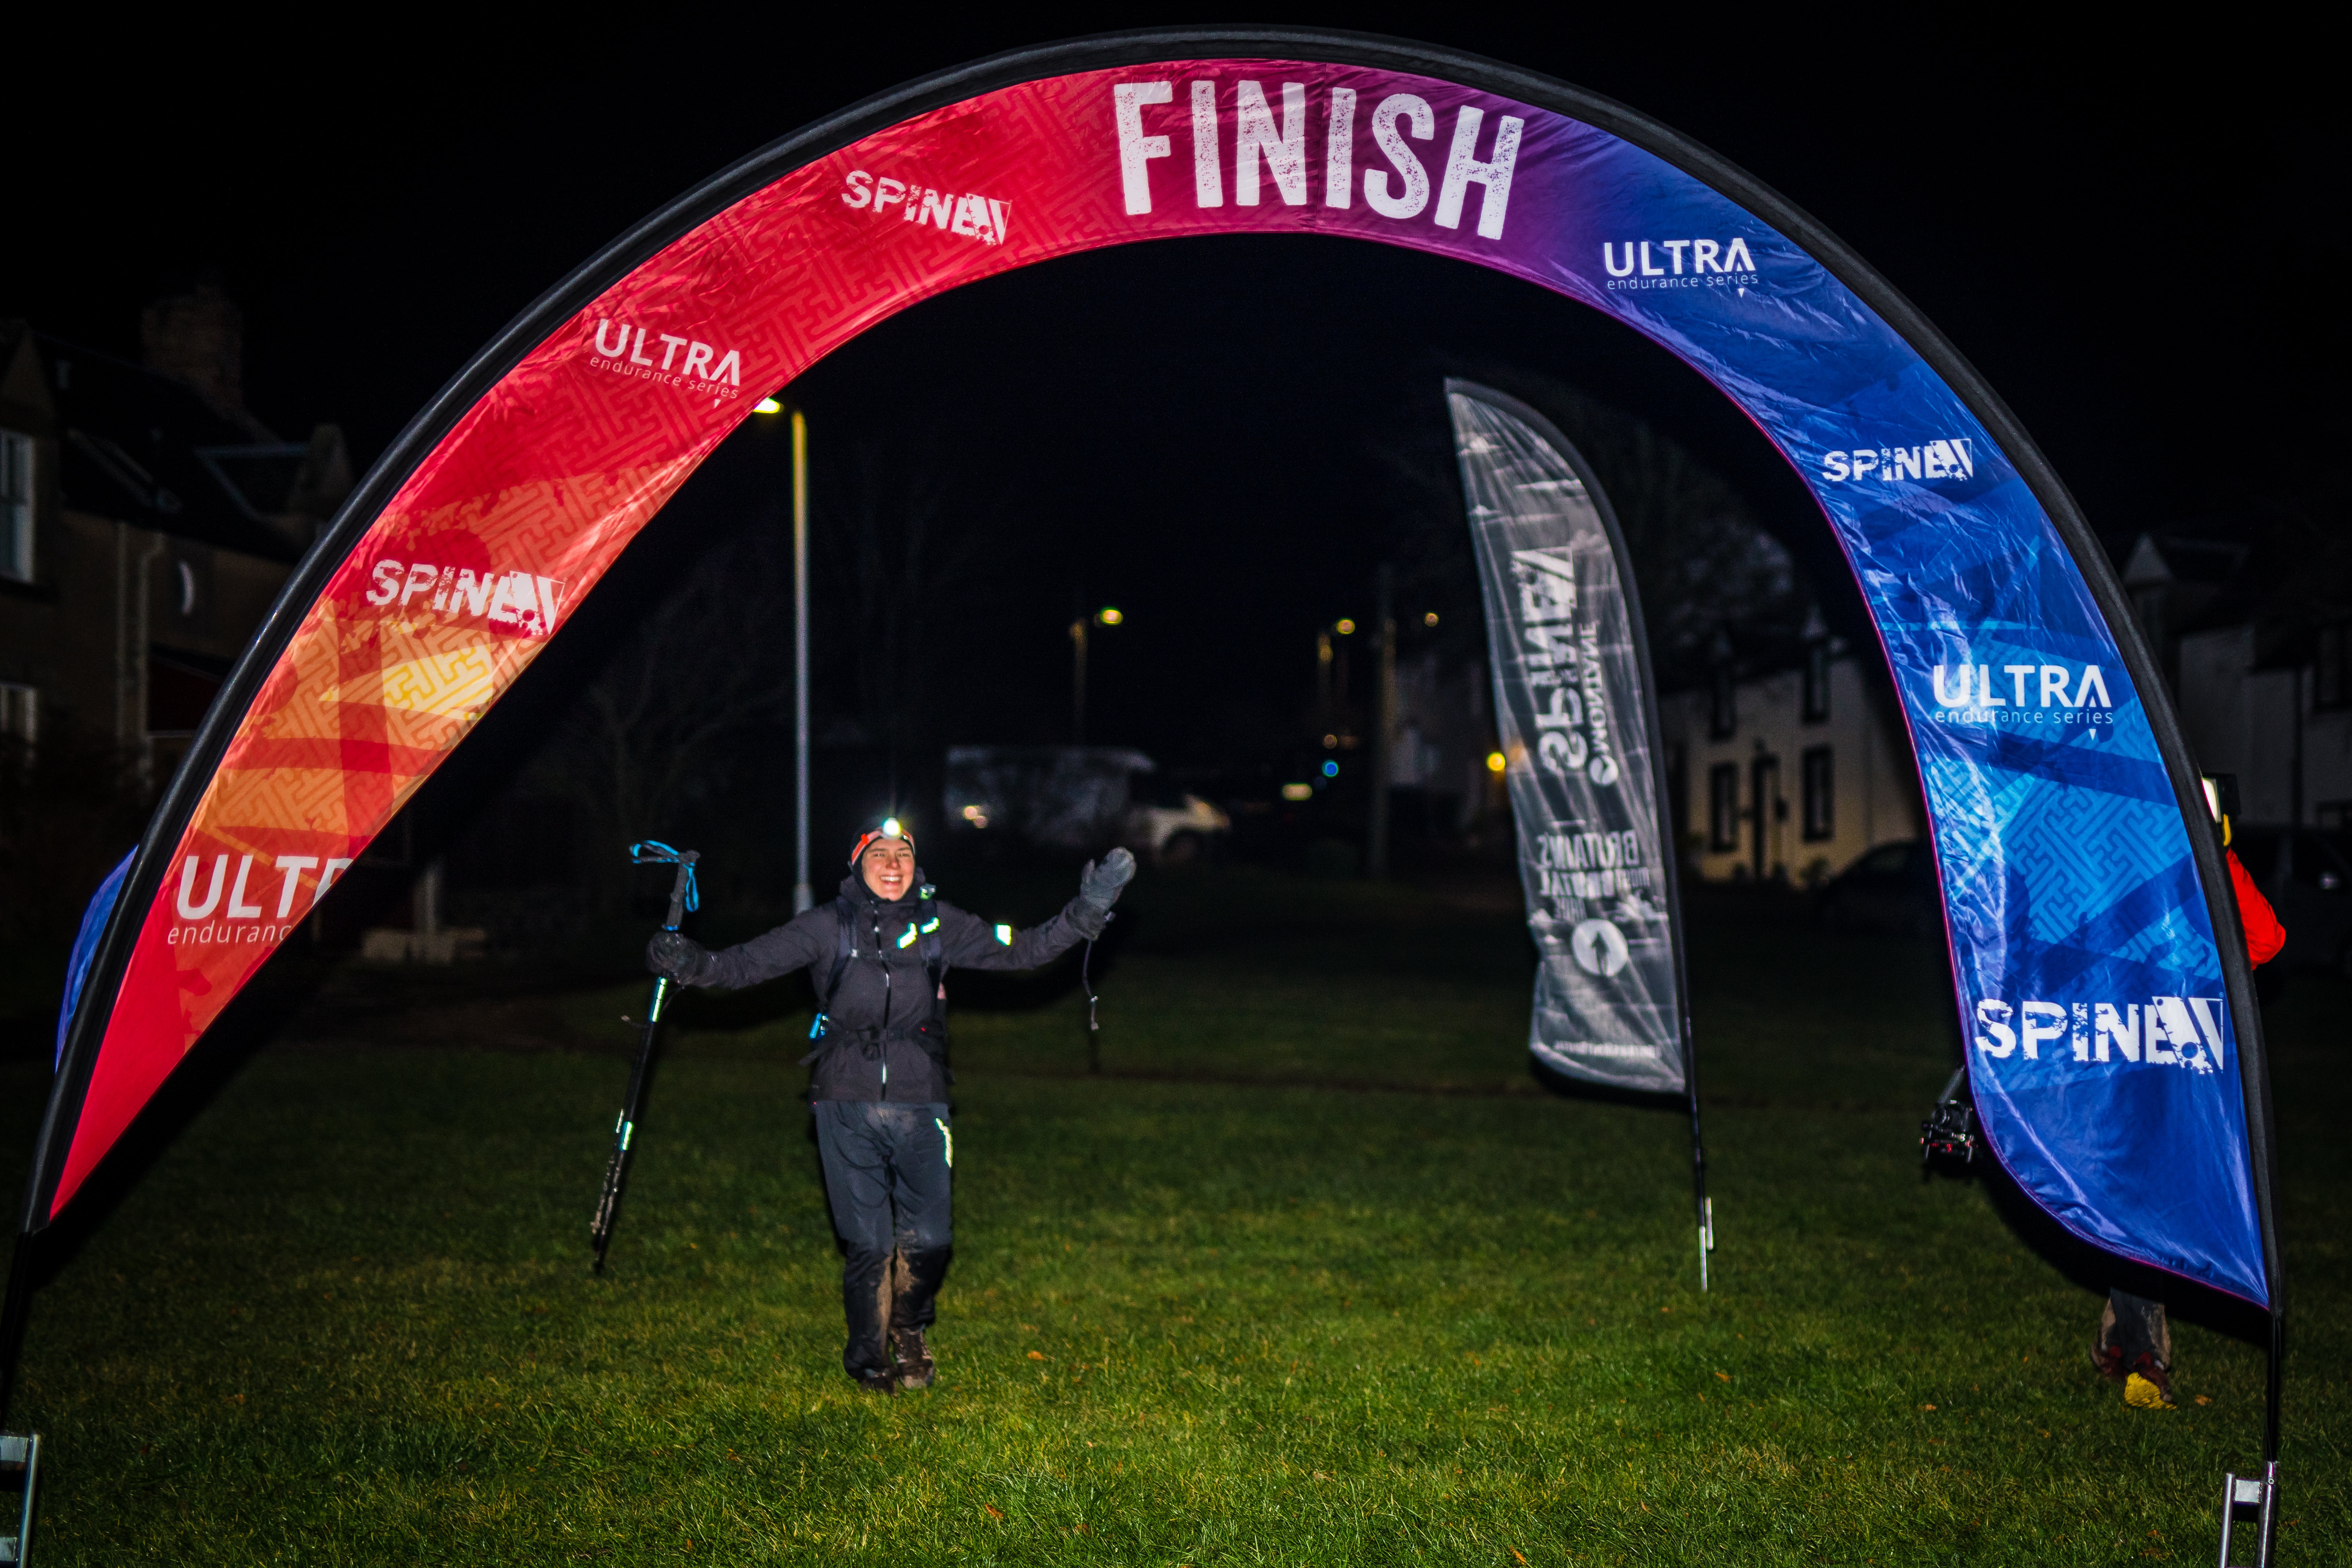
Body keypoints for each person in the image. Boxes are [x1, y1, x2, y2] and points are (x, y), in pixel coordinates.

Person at [645, 819, 1134, 1394]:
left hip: (920, 1095)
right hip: (844, 1097)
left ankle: (908, 1325)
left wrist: (1086, 911)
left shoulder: (939, 923)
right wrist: (689, 961)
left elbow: (1023, 949)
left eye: (903, 852)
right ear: (858, 864)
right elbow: (744, 964)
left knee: (931, 1239)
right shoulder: (825, 926)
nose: (893, 863)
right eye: (880, 853)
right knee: (870, 1243)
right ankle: (868, 1359)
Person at [2092, 819, 2284, 1412]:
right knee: (2132, 1208)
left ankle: (2120, 1340)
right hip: (2116, 1075)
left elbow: (2265, 940)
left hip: (2186, 1091)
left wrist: (2217, 851)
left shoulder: (2201, 915)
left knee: (2152, 1214)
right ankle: (2143, 1352)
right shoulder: (2111, 887)